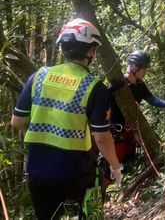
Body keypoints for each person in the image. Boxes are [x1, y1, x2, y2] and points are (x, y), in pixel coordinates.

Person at [11, 18, 122, 220]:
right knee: (97, 185)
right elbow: (101, 137)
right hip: (75, 171)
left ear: (63, 48)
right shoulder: (93, 86)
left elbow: (16, 122)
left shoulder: (38, 77)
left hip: (37, 172)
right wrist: (115, 167)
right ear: (91, 51)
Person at [109, 50, 165, 163]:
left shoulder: (140, 85)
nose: (145, 72)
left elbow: (152, 100)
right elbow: (102, 104)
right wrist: (109, 90)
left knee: (132, 158)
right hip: (116, 132)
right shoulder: (118, 84)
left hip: (132, 130)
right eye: (144, 69)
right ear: (134, 67)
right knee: (117, 162)